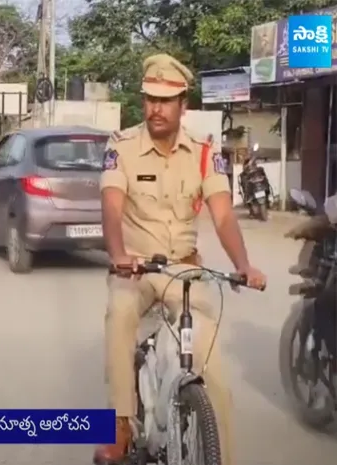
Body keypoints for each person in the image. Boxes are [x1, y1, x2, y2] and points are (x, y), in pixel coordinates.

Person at [95, 54, 267, 465]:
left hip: (186, 269)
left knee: (213, 370)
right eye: (149, 98)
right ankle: (120, 423)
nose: (155, 107)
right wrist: (118, 254)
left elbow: (223, 214)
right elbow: (111, 206)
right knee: (119, 313)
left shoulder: (206, 153)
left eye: (165, 100)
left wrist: (243, 263)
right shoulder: (121, 147)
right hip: (135, 268)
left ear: (182, 104)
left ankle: (220, 456)